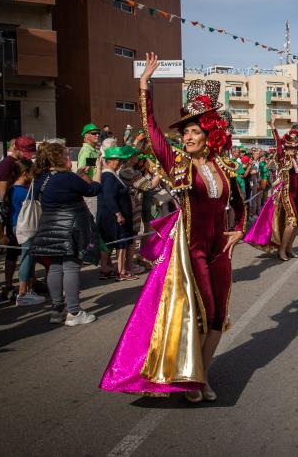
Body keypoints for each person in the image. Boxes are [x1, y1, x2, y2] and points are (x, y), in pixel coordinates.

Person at [101, 53, 245, 402]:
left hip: (219, 250)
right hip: (191, 249)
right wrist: (143, 86)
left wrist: (238, 231)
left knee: (218, 317)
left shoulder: (224, 167)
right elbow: (151, 131)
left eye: (195, 132)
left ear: (210, 135)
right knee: (201, 310)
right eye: (186, 133)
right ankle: (188, 376)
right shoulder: (178, 165)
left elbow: (240, 207)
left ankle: (203, 376)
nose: (188, 138)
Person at [29, 142, 102, 326]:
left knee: (54, 267)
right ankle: (74, 312)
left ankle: (57, 309)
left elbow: (52, 192)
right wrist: (98, 169)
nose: (69, 158)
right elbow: (93, 189)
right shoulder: (67, 177)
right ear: (58, 157)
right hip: (71, 226)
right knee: (71, 267)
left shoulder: (41, 178)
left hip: (49, 225)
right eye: (66, 155)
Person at [244, 115, 298, 261]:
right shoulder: (282, 157)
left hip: (297, 193)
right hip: (286, 192)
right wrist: (273, 127)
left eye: (294, 147)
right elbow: (278, 143)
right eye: (289, 146)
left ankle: (289, 247)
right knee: (291, 221)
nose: (292, 149)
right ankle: (282, 250)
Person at [0, 136, 36, 299]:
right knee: (14, 254)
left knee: (27, 255)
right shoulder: (6, 164)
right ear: (16, 148)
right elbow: (3, 193)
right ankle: (10, 285)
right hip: (16, 217)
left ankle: (28, 282)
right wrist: (2, 227)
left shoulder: (24, 165)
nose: (29, 156)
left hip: (21, 215)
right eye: (26, 152)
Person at [8, 159, 46, 305]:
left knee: (28, 257)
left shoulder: (13, 189)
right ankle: (23, 292)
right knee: (27, 258)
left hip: (16, 225)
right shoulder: (24, 191)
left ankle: (28, 290)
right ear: (25, 173)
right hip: (26, 226)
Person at [97, 146, 138, 280]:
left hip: (110, 214)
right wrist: (118, 214)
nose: (119, 162)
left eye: (120, 160)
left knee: (109, 242)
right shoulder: (108, 176)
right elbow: (109, 196)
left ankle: (106, 270)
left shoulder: (110, 174)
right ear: (109, 160)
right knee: (122, 242)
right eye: (117, 160)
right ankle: (122, 271)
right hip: (113, 215)